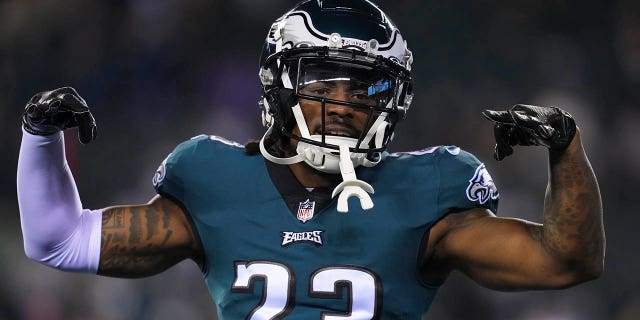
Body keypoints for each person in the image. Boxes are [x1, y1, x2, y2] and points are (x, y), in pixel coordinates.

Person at [17, 0, 604, 319]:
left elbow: (564, 263)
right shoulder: (214, 179)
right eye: (325, 81)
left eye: (364, 87)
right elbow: (58, 240)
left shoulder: (430, 190)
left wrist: (566, 149)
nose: (344, 104)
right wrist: (40, 137)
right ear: (279, 87)